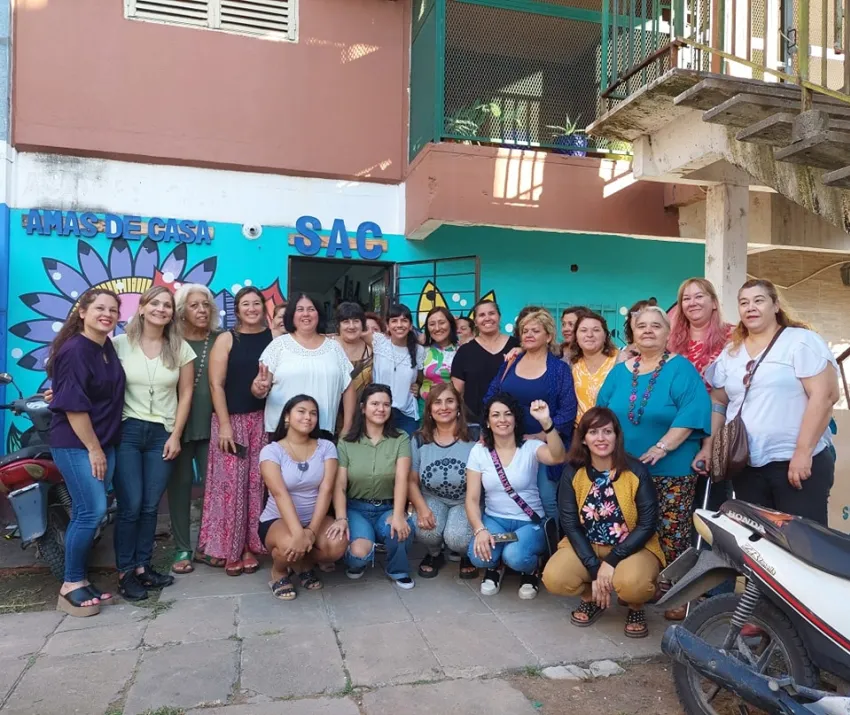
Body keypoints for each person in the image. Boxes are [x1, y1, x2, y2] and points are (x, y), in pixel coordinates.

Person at [596, 305, 710, 621]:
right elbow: (601, 414)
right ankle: (637, 587)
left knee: (672, 534)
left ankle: (678, 593)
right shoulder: (620, 371)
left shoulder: (681, 368)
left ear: (667, 332)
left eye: (656, 325)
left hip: (671, 468)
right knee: (629, 529)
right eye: (641, 325)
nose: (648, 330)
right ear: (632, 333)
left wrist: (663, 446)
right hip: (625, 470)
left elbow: (693, 411)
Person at [703, 279, 838, 526]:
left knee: (802, 540)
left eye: (759, 300)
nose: (750, 307)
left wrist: (802, 453)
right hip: (747, 465)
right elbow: (718, 402)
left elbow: (825, 396)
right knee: (758, 542)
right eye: (744, 303)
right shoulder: (731, 352)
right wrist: (709, 446)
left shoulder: (800, 341)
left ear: (775, 305)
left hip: (795, 463)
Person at [542, 407, 665, 638]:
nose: (601, 438)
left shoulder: (636, 470)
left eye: (607, 431)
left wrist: (611, 561)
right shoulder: (573, 472)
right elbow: (570, 523)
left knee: (633, 585)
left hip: (632, 547)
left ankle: (635, 606)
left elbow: (648, 524)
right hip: (586, 544)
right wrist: (594, 568)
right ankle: (591, 598)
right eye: (593, 432)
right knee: (555, 578)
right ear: (584, 439)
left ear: (617, 436)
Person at [112, 286, 196, 601]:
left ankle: (142, 568)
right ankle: (125, 572)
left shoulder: (180, 348)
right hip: (128, 431)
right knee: (131, 504)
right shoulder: (119, 344)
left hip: (163, 432)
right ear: (142, 308)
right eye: (155, 303)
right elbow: (95, 378)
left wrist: (176, 434)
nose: (161, 309)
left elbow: (185, 393)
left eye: (167, 305)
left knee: (150, 505)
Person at [47, 289, 125, 616]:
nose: (107, 314)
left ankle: (81, 579)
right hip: (76, 444)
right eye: (99, 308)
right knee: (90, 511)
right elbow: (74, 407)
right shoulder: (76, 350)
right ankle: (70, 585)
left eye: (113, 310)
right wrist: (94, 449)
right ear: (82, 312)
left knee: (89, 512)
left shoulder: (104, 346)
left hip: (102, 441)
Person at [200, 286, 273, 576]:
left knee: (257, 484)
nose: (252, 309)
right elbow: (215, 385)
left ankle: (251, 546)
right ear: (237, 310)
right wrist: (225, 425)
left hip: (263, 421)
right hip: (231, 421)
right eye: (246, 304)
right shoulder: (227, 339)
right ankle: (230, 548)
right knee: (230, 487)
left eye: (256, 303)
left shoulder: (274, 338)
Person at [466, 393, 566, 599]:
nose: (502, 420)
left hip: (529, 522)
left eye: (508, 414)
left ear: (515, 419)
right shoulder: (479, 451)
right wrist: (480, 530)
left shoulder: (530, 447)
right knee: (478, 556)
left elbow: (558, 457)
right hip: (495, 520)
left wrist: (546, 423)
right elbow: (472, 499)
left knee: (515, 555)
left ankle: (531, 569)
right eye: (496, 415)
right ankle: (495, 565)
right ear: (488, 421)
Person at [485, 309, 577, 519]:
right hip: (507, 442)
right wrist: (490, 428)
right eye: (525, 331)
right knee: (506, 493)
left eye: (535, 331)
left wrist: (541, 435)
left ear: (549, 336)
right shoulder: (510, 362)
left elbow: (568, 411)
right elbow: (491, 395)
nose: (528, 335)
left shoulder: (559, 370)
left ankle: (554, 538)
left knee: (547, 498)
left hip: (544, 444)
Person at [258, 395, 348, 600]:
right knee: (291, 542)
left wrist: (311, 531)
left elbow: (326, 489)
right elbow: (279, 493)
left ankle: (302, 563)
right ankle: (279, 571)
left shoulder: (326, 447)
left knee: (336, 544)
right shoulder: (271, 451)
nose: (308, 417)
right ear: (287, 417)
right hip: (278, 520)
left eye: (313, 413)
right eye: (301, 411)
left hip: (314, 519)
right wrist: (299, 533)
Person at [333, 384, 417, 588]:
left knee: (401, 531)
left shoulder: (400, 438)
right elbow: (340, 484)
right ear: (363, 408)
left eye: (386, 404)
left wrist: (398, 514)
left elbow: (402, 479)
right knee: (359, 555)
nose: (381, 409)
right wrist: (341, 518)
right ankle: (359, 553)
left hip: (388, 506)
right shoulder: (347, 442)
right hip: (357, 508)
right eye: (375, 404)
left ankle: (397, 569)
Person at [169, 284, 221, 574]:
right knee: (180, 487)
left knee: (214, 489)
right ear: (181, 311)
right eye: (194, 305)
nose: (202, 310)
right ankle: (182, 547)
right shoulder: (170, 340)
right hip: (176, 425)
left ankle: (207, 545)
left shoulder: (221, 339)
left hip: (212, 423)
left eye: (206, 305)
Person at [257, 294, 356, 437]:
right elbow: (260, 385)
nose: (306, 314)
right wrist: (259, 388)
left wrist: (347, 427)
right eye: (300, 309)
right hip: (284, 430)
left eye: (311, 309)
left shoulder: (334, 348)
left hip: (323, 430)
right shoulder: (278, 345)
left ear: (319, 314)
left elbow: (348, 387)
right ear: (292, 315)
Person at [407, 383, 477, 579]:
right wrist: (421, 508)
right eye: (437, 402)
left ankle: (465, 554)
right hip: (432, 497)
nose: (444, 407)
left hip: (466, 500)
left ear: (458, 406)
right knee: (426, 530)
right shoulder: (419, 439)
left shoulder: (475, 434)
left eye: (449, 401)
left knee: (457, 537)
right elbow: (411, 480)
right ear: (429, 410)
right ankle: (434, 554)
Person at [451, 299, 519, 425]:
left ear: (499, 317)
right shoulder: (465, 352)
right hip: (475, 423)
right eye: (482, 315)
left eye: (491, 313)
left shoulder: (517, 346)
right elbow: (456, 392)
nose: (487, 318)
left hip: (512, 422)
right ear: (475, 322)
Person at [367, 304, 424, 435]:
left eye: (404, 320)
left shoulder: (419, 350)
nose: (399, 325)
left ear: (411, 326)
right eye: (394, 321)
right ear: (387, 325)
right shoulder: (379, 342)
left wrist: (418, 386)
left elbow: (420, 378)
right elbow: (351, 335)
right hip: (379, 411)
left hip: (406, 415)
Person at [570, 312, 618, 422]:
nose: (589, 335)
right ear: (576, 337)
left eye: (596, 330)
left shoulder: (620, 360)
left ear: (605, 336)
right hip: (581, 429)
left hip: (612, 427)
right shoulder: (572, 363)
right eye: (583, 330)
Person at [334, 302, 373, 398]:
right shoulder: (328, 345)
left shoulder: (370, 351)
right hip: (330, 403)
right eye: (346, 322)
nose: (351, 326)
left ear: (362, 324)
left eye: (356, 321)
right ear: (338, 325)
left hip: (363, 405)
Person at [421, 307, 459, 403]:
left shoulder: (462, 351)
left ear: (450, 324)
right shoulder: (422, 351)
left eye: (442, 323)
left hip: (452, 406)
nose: (437, 328)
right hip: (425, 405)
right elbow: (416, 378)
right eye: (432, 324)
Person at [617, 297, 657, 363]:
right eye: (636, 314)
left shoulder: (662, 356)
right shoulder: (616, 353)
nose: (640, 319)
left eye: (646, 315)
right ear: (630, 321)